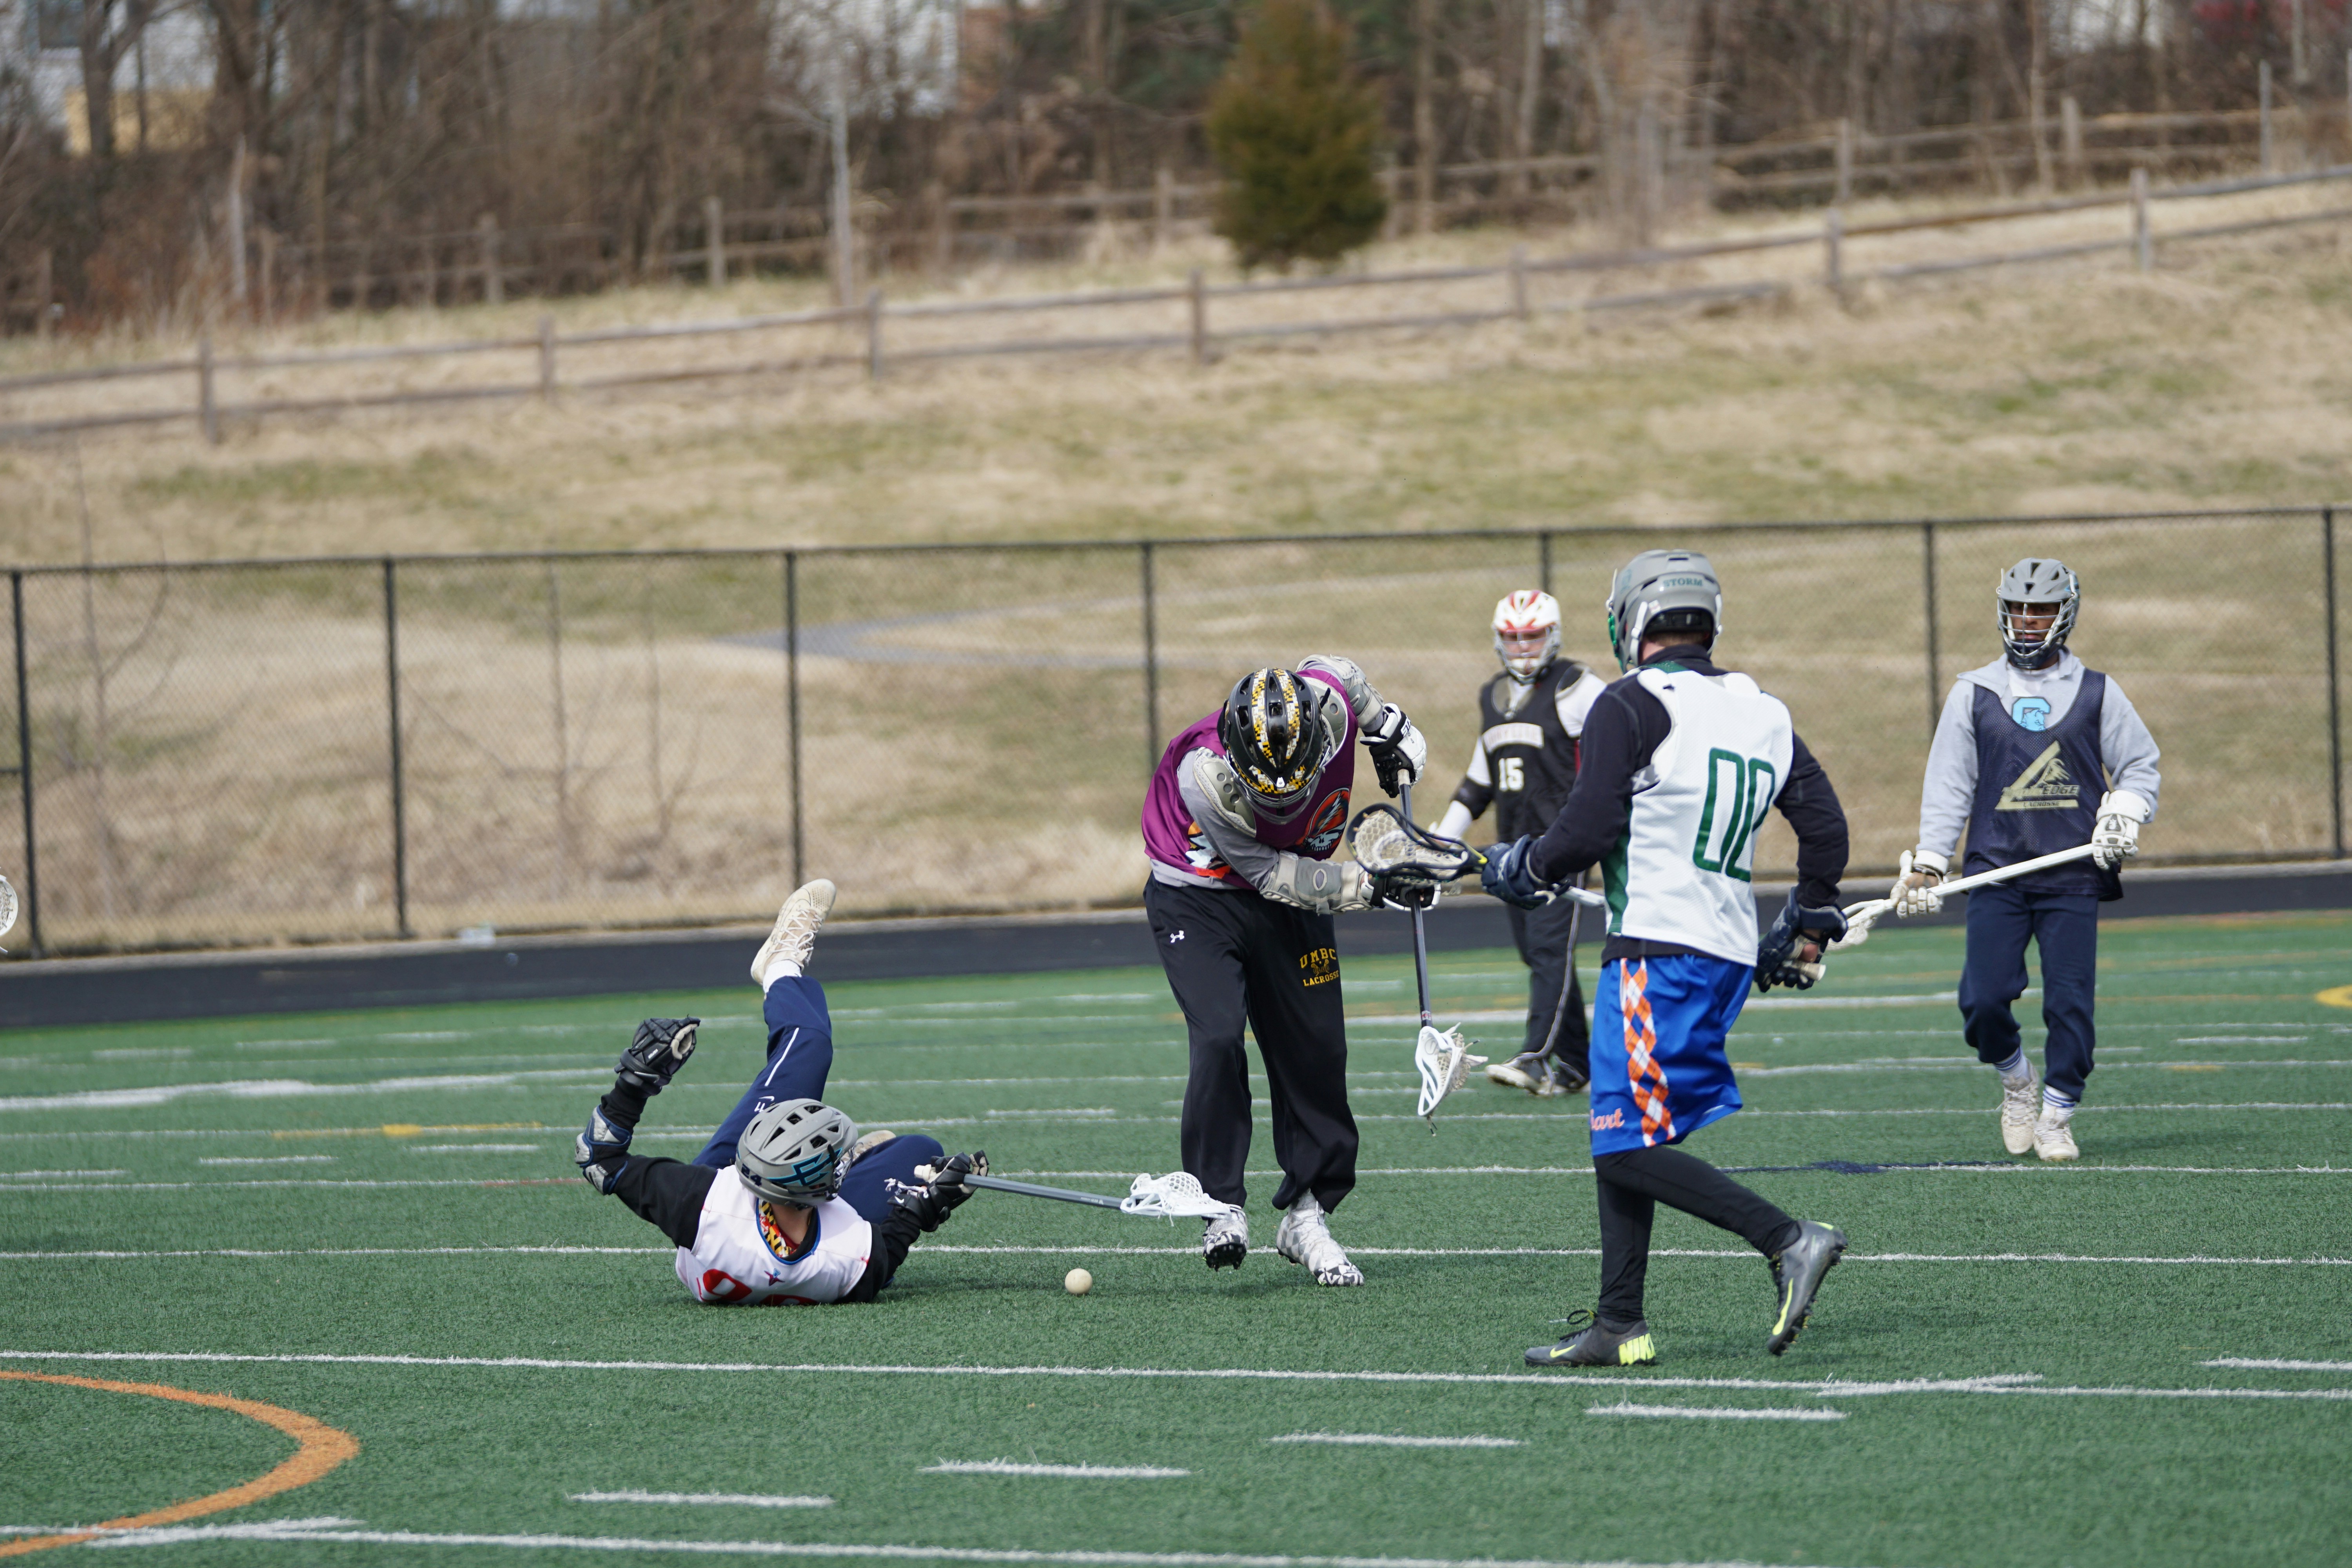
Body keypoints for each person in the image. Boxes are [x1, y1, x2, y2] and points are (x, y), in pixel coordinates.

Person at [1481, 549, 1853, 1366]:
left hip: (1658, 949)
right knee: (1624, 1124)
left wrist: (1523, 866)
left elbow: (1583, 832)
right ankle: (1620, 1321)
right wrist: (1811, 922)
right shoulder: (1763, 707)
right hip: (1719, 951)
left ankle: (1787, 1236)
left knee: (1622, 1144)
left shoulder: (1630, 703)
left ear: (1630, 620)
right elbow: (1825, 831)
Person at [1140, 659, 1428, 1285]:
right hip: (1201, 893)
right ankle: (1221, 1202)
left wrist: (1388, 727)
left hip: (1296, 874)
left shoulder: (1332, 703)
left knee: (1316, 1049)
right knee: (1218, 1035)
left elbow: (1345, 673)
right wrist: (1373, 886)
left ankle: (1307, 1216)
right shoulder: (1206, 778)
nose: (1286, 794)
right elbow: (1276, 878)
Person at [572, 878, 986, 1304]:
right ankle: (780, 966)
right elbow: (889, 1251)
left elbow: (598, 1158)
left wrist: (635, 1083)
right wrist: (929, 1202)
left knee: (809, 1042)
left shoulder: (705, 1202)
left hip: (729, 1206)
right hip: (791, 1212)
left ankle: (780, 967)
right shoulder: (851, 1257)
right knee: (921, 1151)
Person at [1889, 558, 2160, 1163]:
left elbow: (2141, 765)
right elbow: (1949, 784)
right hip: (1996, 870)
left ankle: (2059, 1112)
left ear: (2065, 614)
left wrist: (2126, 809)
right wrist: (1931, 862)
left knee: (2070, 1002)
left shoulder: (2098, 691)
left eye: (2040, 609)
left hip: (2071, 873)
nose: (2028, 621)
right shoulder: (1975, 692)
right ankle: (2016, 1081)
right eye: (2017, 608)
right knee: (1983, 998)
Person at [1429, 590, 1609, 1098]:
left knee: (1551, 949)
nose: (1523, 646)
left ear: (1552, 637)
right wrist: (1443, 840)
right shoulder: (1493, 696)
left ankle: (1535, 1057)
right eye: (1513, 637)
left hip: (1563, 846)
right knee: (1539, 953)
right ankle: (1575, 1064)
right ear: (1498, 640)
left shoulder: (1578, 688)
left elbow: (1618, 753)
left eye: (1532, 636)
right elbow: (1478, 781)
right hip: (1512, 856)